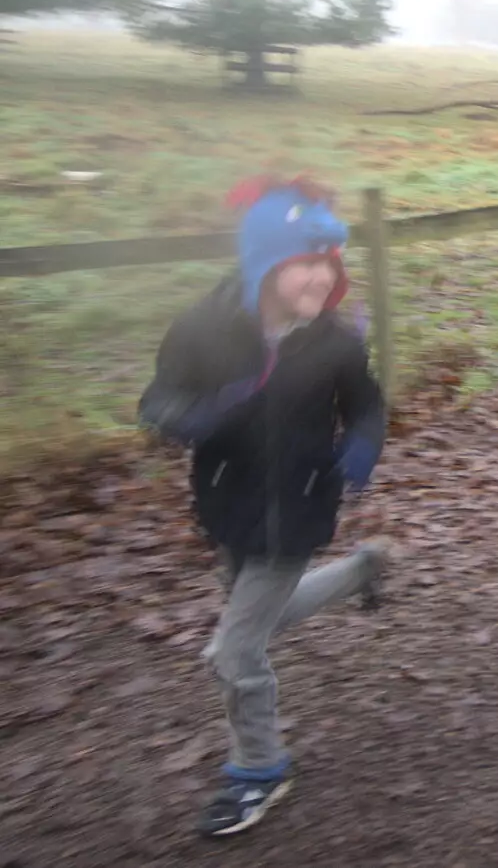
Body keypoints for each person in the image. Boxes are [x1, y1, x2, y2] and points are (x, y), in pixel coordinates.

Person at [138, 174, 389, 837]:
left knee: (235, 650)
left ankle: (259, 770)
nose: (321, 277)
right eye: (305, 261)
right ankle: (362, 572)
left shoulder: (335, 342)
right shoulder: (201, 328)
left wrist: (363, 443)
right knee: (266, 618)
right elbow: (156, 400)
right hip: (228, 507)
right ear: (264, 263)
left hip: (302, 508)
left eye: (329, 261)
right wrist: (191, 417)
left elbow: (365, 405)